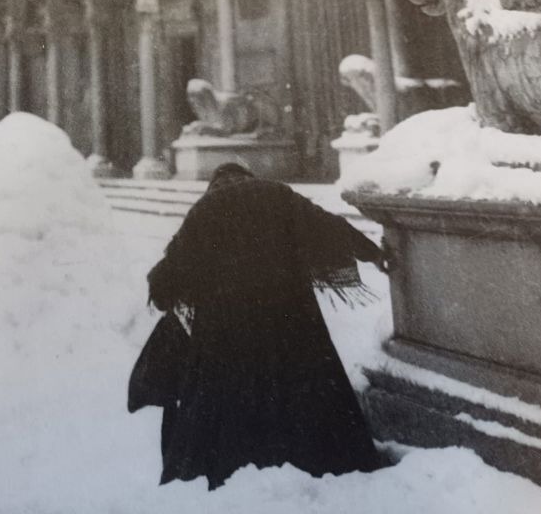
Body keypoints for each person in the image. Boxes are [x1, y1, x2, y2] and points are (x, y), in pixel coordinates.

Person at [128, 163, 389, 490]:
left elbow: (167, 277)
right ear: (247, 178)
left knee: (234, 399)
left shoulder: (205, 209)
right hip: (289, 320)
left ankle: (242, 465)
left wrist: (174, 294)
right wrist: (374, 253)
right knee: (303, 386)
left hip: (230, 333)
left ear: (216, 184)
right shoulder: (276, 193)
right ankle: (317, 458)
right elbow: (329, 226)